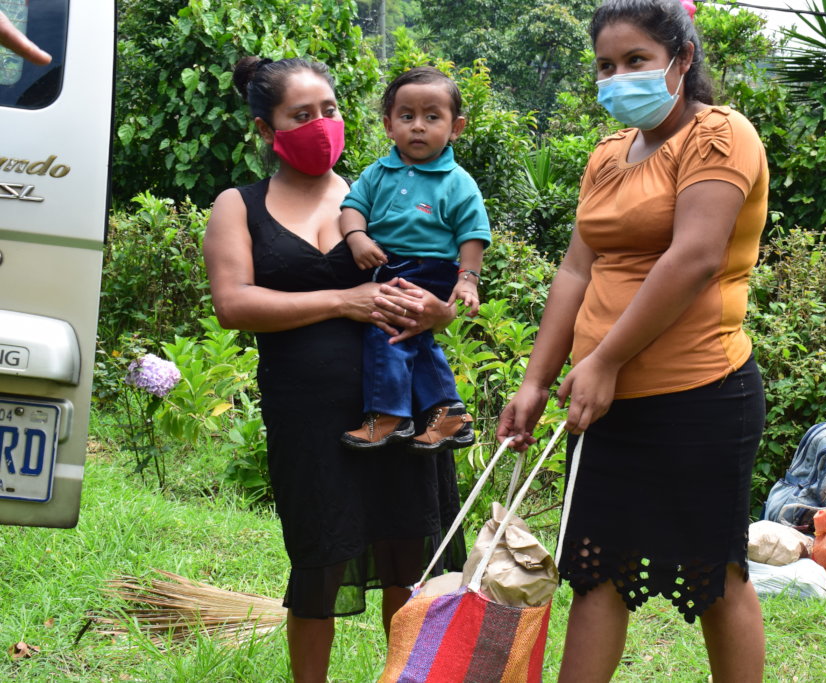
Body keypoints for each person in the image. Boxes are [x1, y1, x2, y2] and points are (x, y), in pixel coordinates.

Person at [497, 0, 769, 681]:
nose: (618, 78)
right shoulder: (609, 156)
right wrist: (536, 379)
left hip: (699, 397)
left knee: (716, 572)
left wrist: (605, 359)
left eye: (636, 61)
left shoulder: (720, 135)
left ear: (682, 59)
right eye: (606, 66)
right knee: (595, 568)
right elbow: (575, 271)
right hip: (605, 403)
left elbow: (695, 257)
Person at [203, 56, 466, 683]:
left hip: (400, 412)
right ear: (268, 131)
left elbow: (438, 286)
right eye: (302, 115)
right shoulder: (239, 206)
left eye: (330, 110)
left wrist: (440, 312)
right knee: (319, 557)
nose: (322, 125)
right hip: (309, 416)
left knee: (409, 560)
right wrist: (343, 301)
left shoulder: (381, 190)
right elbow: (233, 304)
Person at [339, 66, 489, 453]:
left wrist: (467, 279)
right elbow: (352, 207)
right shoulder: (378, 171)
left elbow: (472, 234)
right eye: (407, 116)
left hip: (429, 269)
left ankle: (388, 415)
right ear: (389, 126)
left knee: (386, 332)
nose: (418, 126)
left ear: (456, 127)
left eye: (432, 117)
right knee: (413, 338)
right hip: (389, 265)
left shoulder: (457, 181)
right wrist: (356, 237)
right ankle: (449, 414)